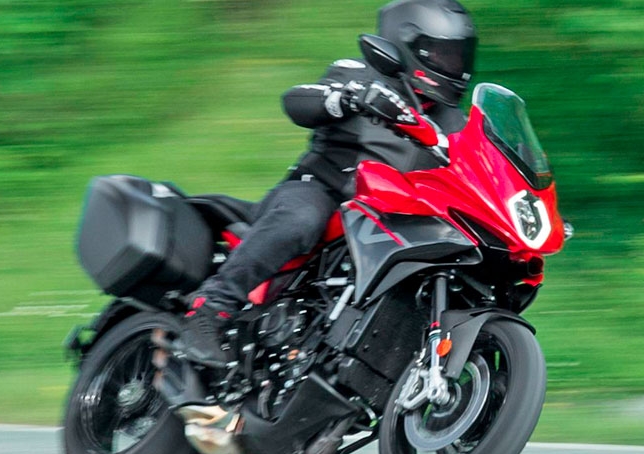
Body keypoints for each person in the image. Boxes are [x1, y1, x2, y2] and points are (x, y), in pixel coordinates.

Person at [178, 0, 478, 369]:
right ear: (409, 46)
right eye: (443, 54)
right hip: (323, 193)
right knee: (302, 218)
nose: (453, 65)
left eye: (457, 55)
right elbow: (297, 101)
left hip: (392, 221)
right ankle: (210, 308)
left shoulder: (456, 123)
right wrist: (343, 98)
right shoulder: (360, 74)